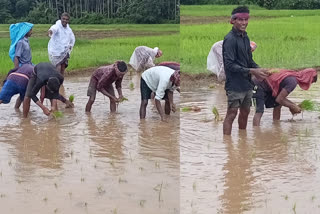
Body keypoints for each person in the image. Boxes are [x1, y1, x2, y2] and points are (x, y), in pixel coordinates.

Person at [222, 6, 270, 135]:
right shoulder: (230, 39)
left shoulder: (245, 37)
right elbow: (230, 65)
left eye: (246, 20)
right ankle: (227, 144)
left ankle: (242, 141)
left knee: (245, 112)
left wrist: (259, 69)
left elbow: (249, 60)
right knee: (231, 114)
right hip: (234, 84)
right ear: (233, 20)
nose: (244, 23)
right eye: (240, 20)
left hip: (247, 84)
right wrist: (252, 71)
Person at [252, 68, 317, 126]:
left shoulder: (292, 76)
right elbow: (280, 99)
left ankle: (276, 125)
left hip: (266, 85)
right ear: (307, 78)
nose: (309, 84)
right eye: (310, 81)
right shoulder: (292, 82)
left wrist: (293, 106)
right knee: (259, 111)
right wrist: (293, 106)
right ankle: (256, 133)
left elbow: (280, 99)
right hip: (258, 85)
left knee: (278, 105)